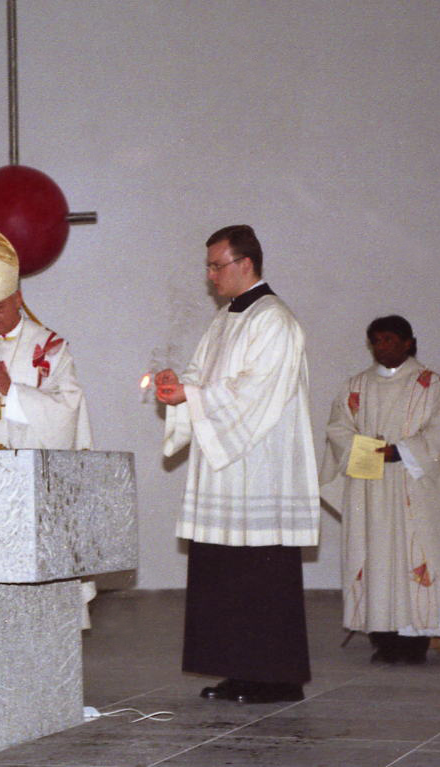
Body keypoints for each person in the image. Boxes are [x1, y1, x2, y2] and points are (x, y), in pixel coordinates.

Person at [155, 225, 320, 704]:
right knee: (225, 572)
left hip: (260, 469)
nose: (209, 277)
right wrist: (177, 388)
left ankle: (277, 678)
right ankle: (239, 669)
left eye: (216, 266)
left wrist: (194, 394)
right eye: (208, 266)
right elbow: (200, 377)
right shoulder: (225, 319)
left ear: (244, 264)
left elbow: (255, 393)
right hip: (225, 471)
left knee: (260, 574)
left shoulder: (276, 320)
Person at [320, 316, 440, 664]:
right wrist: (368, 449)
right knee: (374, 557)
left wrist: (400, 450)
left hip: (415, 487)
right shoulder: (356, 386)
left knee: (414, 556)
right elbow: (337, 429)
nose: (382, 347)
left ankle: (414, 640)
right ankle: (383, 637)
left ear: (408, 342)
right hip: (369, 488)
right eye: (376, 341)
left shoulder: (428, 385)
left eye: (389, 340)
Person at [0, 228, 92, 451]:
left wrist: (13, 392)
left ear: (18, 299)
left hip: (30, 467)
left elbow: (69, 408)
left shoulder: (50, 348)